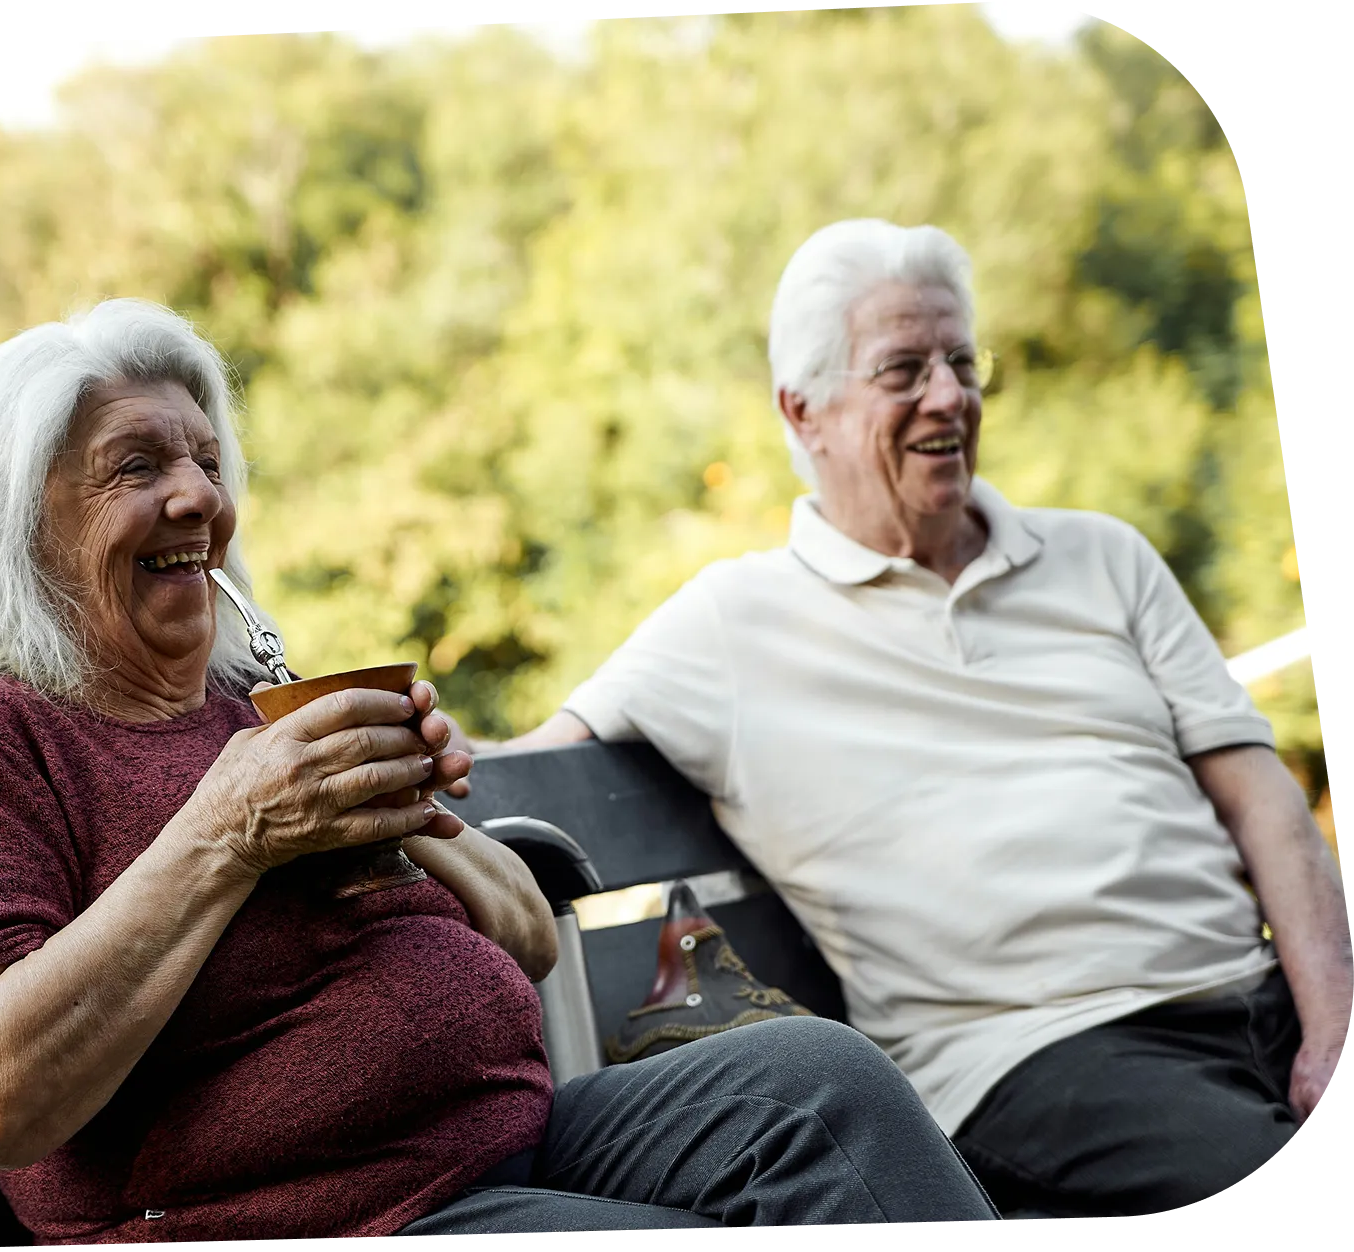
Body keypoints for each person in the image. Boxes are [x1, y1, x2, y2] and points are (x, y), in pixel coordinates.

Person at [0, 298, 999, 1243]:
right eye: (136, 466)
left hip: (505, 1144)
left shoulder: (246, 708)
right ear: (18, 521)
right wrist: (226, 833)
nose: (201, 496)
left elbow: (528, 934)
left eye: (209, 460)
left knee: (824, 1086)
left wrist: (400, 814)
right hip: (297, 1219)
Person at [455, 219, 1350, 1221]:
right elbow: (515, 768)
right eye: (905, 368)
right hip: (1037, 1057)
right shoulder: (730, 624)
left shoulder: (1107, 557)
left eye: (964, 361)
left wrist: (1333, 1024)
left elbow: (1262, 793)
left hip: (1259, 997)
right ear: (806, 412)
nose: (950, 395)